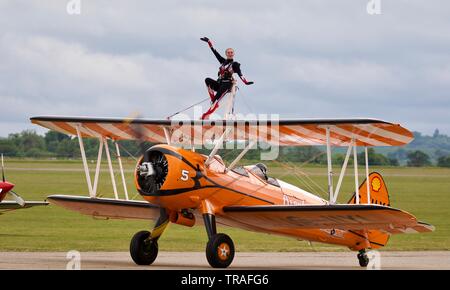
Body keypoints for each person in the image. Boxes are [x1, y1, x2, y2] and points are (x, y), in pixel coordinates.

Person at [200, 37, 253, 119]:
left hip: (227, 85)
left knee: (215, 101)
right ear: (226, 54)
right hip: (220, 84)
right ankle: (213, 100)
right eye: (228, 52)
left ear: (233, 54)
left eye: (231, 52)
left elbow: (240, 73)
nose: (230, 53)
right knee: (207, 80)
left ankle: (207, 113)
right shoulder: (223, 62)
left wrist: (245, 82)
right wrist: (209, 42)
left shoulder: (235, 64)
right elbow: (215, 53)